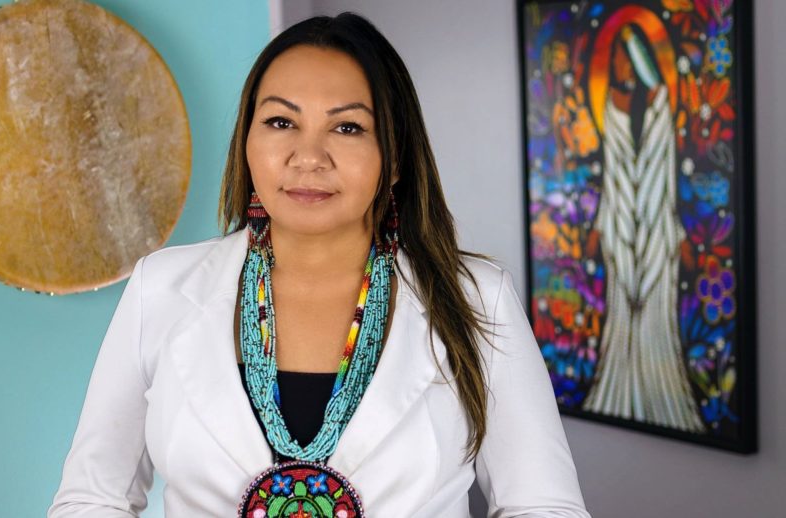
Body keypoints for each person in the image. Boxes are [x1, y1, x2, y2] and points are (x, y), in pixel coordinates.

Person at [47, 12, 590, 518]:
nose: (308, 157)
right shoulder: (161, 289)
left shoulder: (476, 298)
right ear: (247, 142)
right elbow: (92, 497)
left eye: (347, 128)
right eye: (281, 122)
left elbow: (544, 506)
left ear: (395, 156)